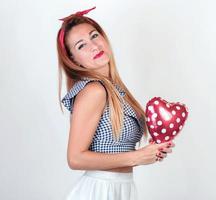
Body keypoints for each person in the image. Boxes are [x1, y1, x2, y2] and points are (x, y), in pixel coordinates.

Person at [57, 6, 175, 200]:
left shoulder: (115, 90)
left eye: (94, 36)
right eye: (81, 45)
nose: (93, 46)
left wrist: (151, 152)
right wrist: (138, 156)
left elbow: (118, 153)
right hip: (99, 190)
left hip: (121, 187)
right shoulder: (94, 91)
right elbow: (75, 158)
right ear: (73, 60)